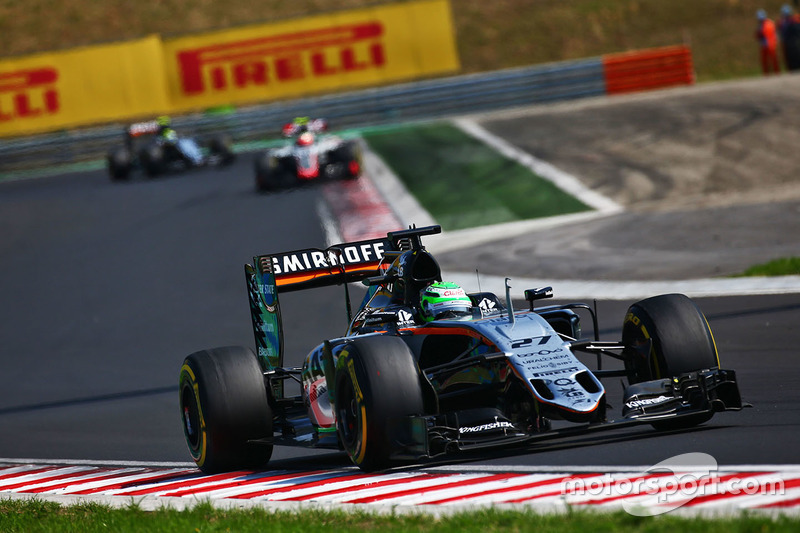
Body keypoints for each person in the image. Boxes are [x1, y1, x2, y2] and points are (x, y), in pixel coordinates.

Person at [756, 9, 781, 75]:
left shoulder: (769, 23)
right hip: (764, 45)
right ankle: (766, 74)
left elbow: (773, 34)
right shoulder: (760, 25)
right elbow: (759, 35)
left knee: (773, 60)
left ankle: (777, 73)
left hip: (770, 44)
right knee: (764, 60)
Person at [778, 4, 800, 70]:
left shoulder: (794, 21)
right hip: (788, 43)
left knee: (795, 56)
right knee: (789, 58)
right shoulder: (783, 23)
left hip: (794, 42)